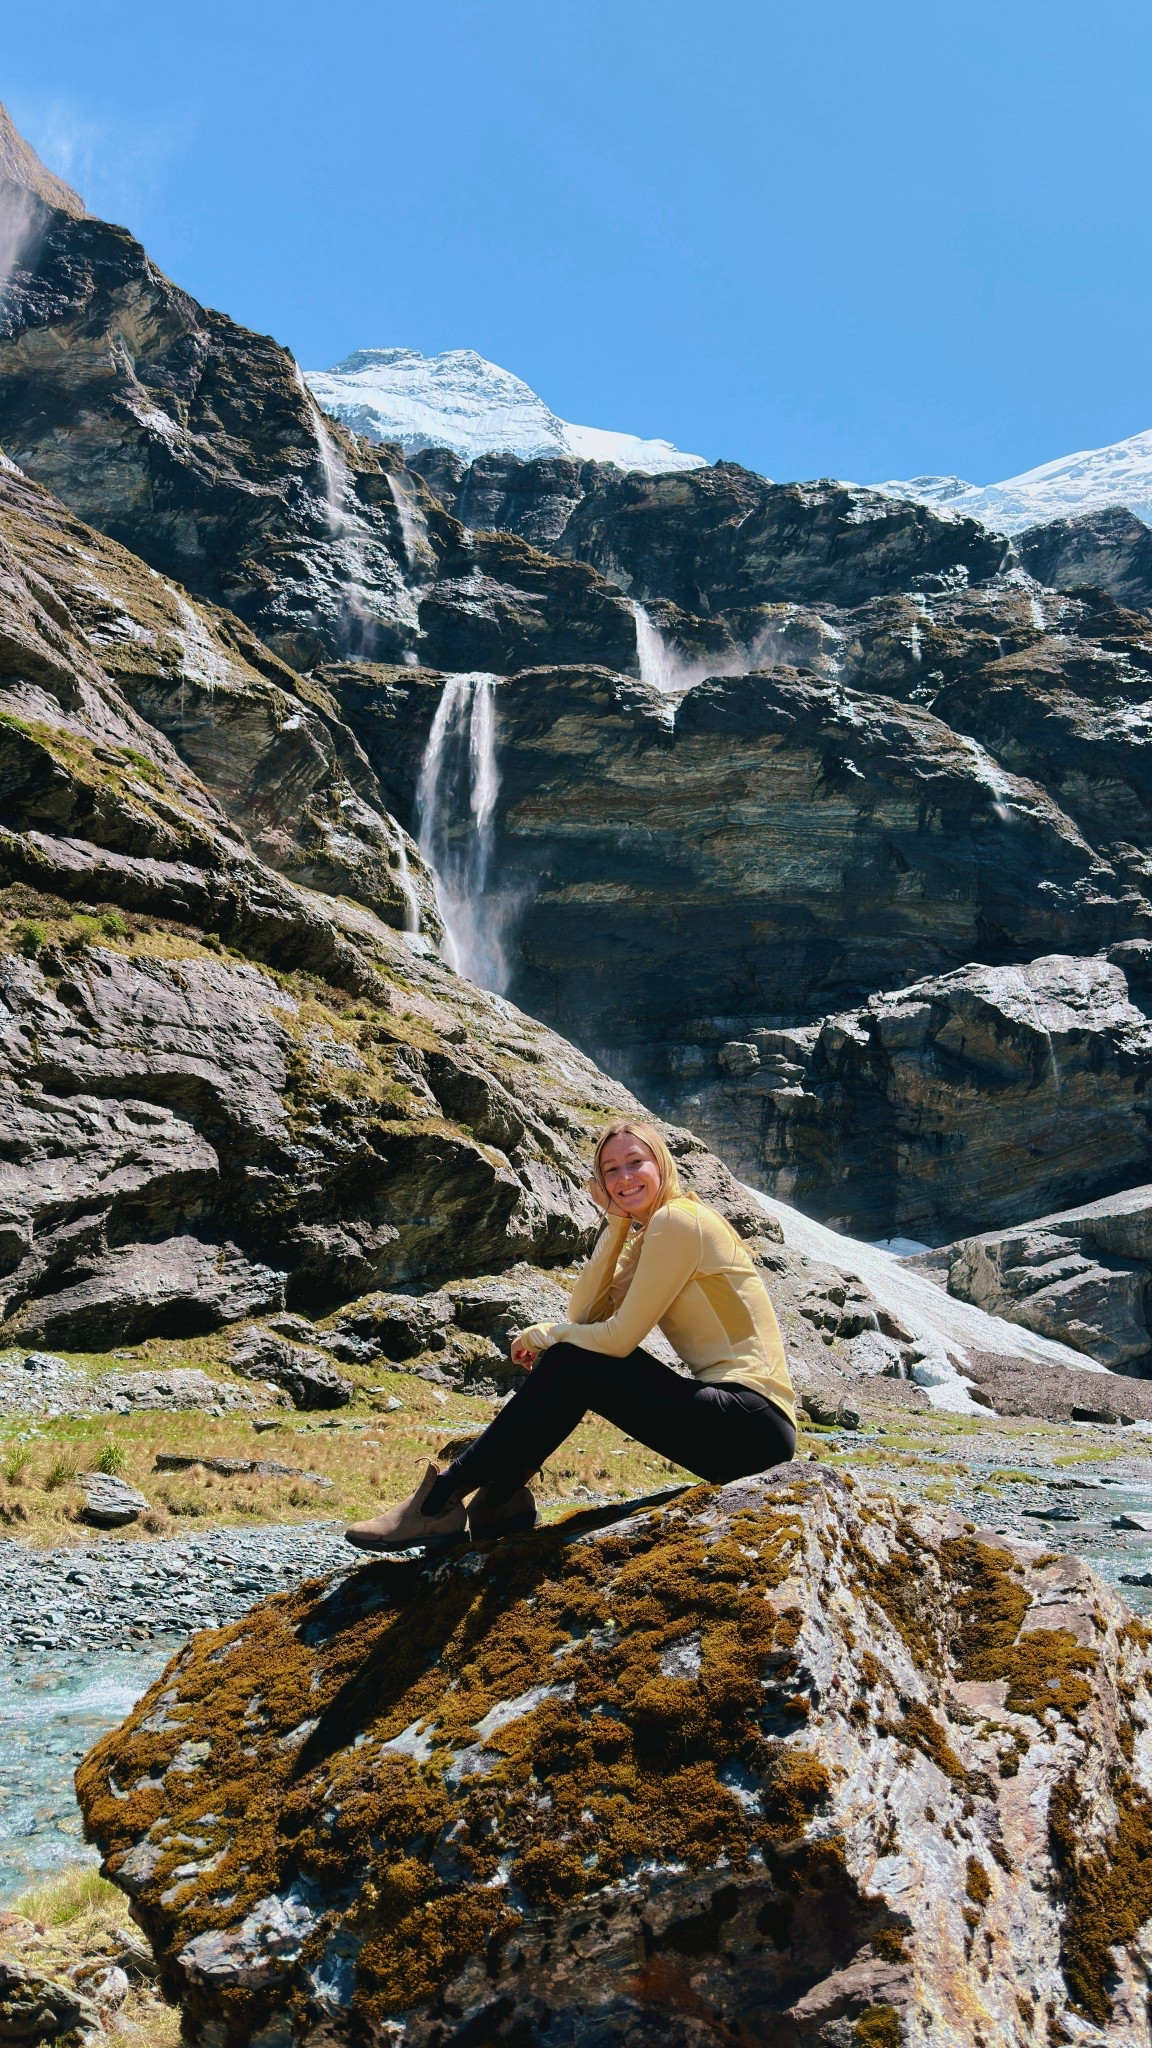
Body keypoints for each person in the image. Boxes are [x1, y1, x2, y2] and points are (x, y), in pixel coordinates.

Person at [344, 1119, 796, 1552]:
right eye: (610, 1171)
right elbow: (584, 1314)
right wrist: (616, 1223)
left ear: (661, 1162)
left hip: (752, 1421)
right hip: (745, 1431)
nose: (624, 1177)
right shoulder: (651, 1232)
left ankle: (441, 1498)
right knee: (571, 1357)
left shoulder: (680, 1220)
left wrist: (545, 1336)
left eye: (635, 1162)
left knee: (570, 1359)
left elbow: (615, 1340)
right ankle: (499, 1501)